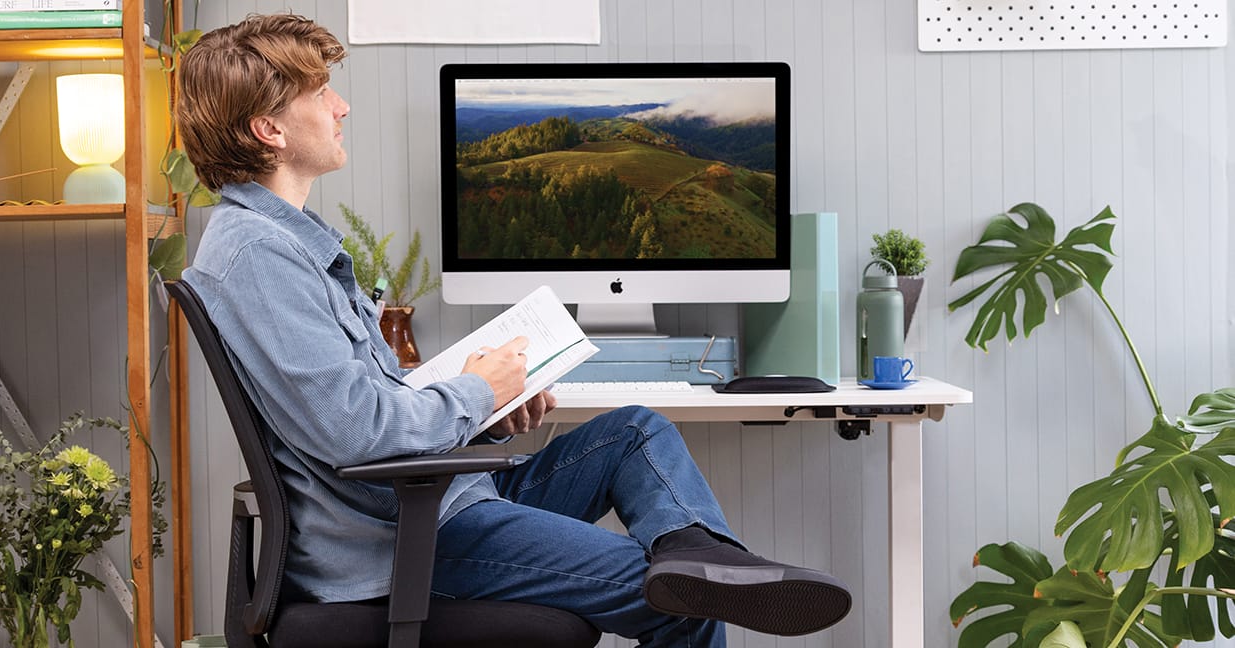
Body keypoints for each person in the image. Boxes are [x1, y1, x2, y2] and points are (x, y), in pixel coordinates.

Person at [177, 13, 851, 646]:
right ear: (270, 129)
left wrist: (490, 410)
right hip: (405, 534)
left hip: (437, 495)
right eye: (321, 92)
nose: (341, 106)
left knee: (635, 430)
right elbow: (357, 431)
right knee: (681, 600)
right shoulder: (259, 256)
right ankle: (709, 575)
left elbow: (365, 406)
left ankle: (708, 554)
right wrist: (473, 391)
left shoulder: (285, 242)